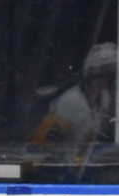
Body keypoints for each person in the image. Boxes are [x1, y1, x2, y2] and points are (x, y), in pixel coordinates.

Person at [27, 42, 118, 176]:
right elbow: (39, 147)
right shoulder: (70, 104)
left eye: (111, 75)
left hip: (83, 171)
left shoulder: (104, 99)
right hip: (60, 174)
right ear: (92, 74)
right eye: (104, 74)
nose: (107, 80)